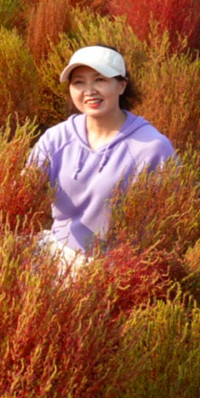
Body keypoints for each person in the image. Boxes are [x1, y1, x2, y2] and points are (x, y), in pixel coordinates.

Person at [28, 44, 175, 270]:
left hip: (117, 267)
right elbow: (24, 189)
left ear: (121, 85)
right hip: (57, 253)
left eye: (99, 80)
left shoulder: (152, 147)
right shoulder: (56, 138)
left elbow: (172, 216)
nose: (89, 91)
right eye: (79, 82)